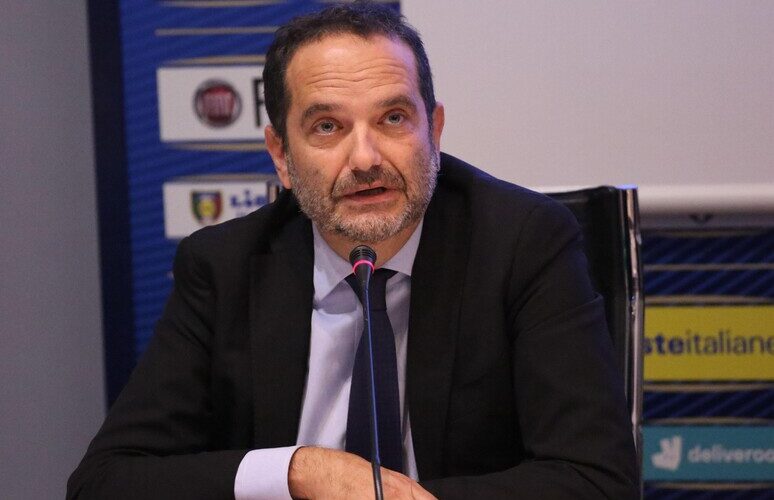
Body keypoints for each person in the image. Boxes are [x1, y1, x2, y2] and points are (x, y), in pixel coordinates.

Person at [68, 2, 638, 499]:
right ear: (281, 155)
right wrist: (298, 471)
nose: (366, 159)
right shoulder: (225, 266)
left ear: (434, 131)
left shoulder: (523, 244)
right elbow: (106, 481)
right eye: (327, 127)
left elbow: (596, 481)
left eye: (394, 118)